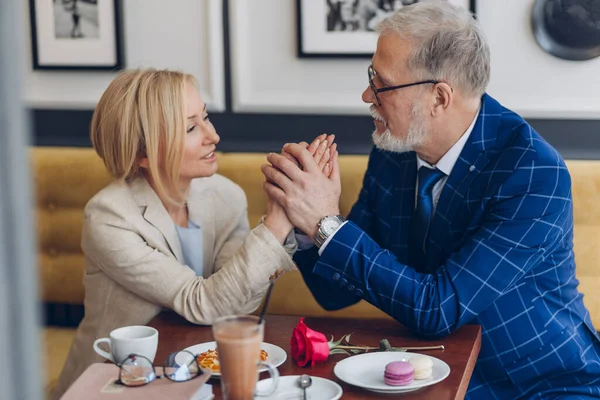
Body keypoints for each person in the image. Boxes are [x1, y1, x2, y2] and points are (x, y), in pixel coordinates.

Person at [262, 1, 600, 398]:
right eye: (371, 75)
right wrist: (304, 222)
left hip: (540, 382)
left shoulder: (531, 172)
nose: (366, 94)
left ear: (439, 98)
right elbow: (337, 294)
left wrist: (326, 223)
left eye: (381, 83)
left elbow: (437, 308)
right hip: (434, 374)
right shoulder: (394, 150)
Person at [52, 69, 334, 398]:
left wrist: (285, 216)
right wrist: (276, 223)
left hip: (194, 373)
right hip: (117, 383)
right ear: (143, 153)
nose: (212, 135)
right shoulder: (109, 217)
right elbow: (201, 303)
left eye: (206, 117)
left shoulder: (225, 197)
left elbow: (239, 304)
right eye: (190, 127)